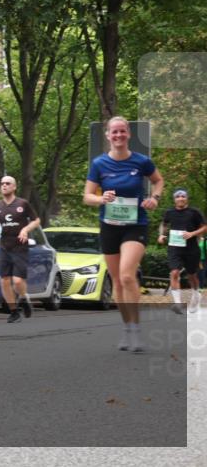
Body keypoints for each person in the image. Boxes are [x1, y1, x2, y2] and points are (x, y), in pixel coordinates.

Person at [84, 116, 164, 352]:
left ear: (128, 134)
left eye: (122, 132)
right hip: (109, 226)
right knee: (117, 281)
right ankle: (127, 328)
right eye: (114, 132)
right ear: (108, 135)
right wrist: (101, 198)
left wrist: (154, 199)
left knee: (127, 276)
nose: (118, 136)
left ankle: (137, 330)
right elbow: (87, 196)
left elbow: (158, 181)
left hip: (135, 225)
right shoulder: (99, 164)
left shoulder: (141, 161)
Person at [0, 176, 41, 323]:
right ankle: (14, 311)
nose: (4, 186)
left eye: (8, 183)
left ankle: (24, 298)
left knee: (17, 281)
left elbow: (36, 221)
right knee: (4, 280)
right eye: (2, 184)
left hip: (20, 247)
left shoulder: (22, 203)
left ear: (14, 187)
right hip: (4, 246)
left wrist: (25, 229)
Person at [157, 189, 206, 314]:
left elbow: (204, 227)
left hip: (191, 249)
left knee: (192, 275)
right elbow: (164, 224)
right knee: (174, 273)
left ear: (186, 198)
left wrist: (192, 234)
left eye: (183, 196)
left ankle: (196, 295)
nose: (180, 198)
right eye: (178, 196)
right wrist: (162, 235)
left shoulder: (194, 212)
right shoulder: (169, 212)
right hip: (174, 247)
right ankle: (177, 303)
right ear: (175, 199)